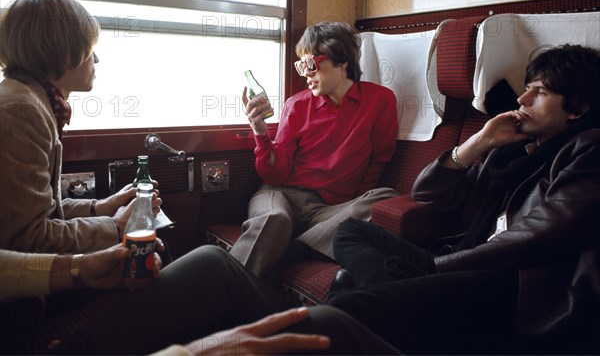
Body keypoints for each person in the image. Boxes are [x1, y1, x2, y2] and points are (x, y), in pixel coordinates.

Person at [327, 44, 600, 354]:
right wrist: (478, 142)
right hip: (461, 260)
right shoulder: (509, 152)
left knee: (349, 303)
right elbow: (427, 193)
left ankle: (383, 297)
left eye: (539, 93)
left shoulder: (588, 148)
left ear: (576, 108)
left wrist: (441, 267)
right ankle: (397, 296)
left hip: (512, 283)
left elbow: (541, 234)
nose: (522, 100)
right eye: (526, 88)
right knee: (349, 231)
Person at [0, 245, 401, 355]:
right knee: (329, 323)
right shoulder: (21, 108)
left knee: (210, 262)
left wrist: (75, 269)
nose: (96, 60)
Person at [229, 22, 400, 278]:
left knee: (385, 197)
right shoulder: (296, 105)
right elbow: (275, 174)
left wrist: (350, 202)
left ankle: (294, 249)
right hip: (282, 194)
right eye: (301, 66)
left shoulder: (380, 100)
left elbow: (380, 159)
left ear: (342, 61)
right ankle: (224, 287)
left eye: (311, 64)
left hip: (329, 209)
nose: (305, 74)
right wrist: (260, 132)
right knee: (275, 219)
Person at [0, 0, 161, 253]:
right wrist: (117, 226)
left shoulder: (29, 99)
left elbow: (42, 213)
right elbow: (26, 238)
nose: (96, 59)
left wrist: (102, 206)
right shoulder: (22, 110)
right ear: (64, 52)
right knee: (209, 261)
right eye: (89, 49)